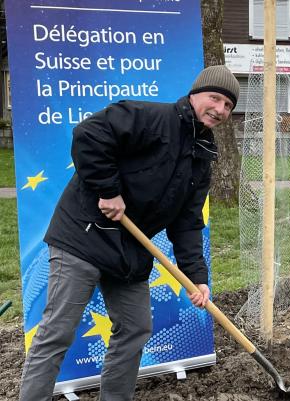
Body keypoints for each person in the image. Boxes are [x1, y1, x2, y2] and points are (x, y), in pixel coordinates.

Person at [19, 65, 240, 401]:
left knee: (136, 327)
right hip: (83, 236)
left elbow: (188, 223)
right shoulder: (149, 118)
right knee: (58, 332)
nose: (220, 109)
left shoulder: (202, 158)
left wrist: (197, 277)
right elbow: (88, 135)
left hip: (130, 249)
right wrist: (107, 190)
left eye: (228, 105)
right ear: (195, 95)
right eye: (215, 98)